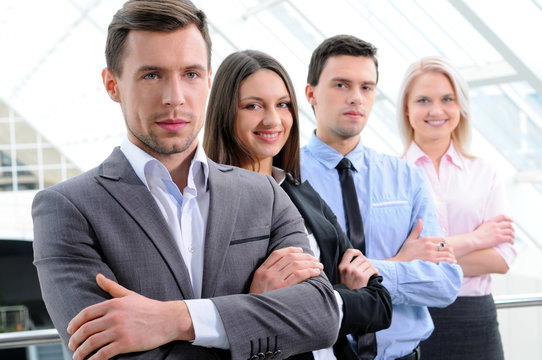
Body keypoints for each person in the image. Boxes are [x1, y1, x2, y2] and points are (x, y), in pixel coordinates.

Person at [31, 1, 340, 359]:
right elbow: (105, 352)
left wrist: (176, 319)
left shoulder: (264, 193)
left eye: (190, 74)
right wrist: (250, 312)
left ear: (209, 81)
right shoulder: (68, 209)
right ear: (112, 84)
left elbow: (321, 317)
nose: (174, 98)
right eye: (151, 75)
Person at [203, 49, 393, 360]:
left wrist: (290, 304)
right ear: (226, 113)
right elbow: (217, 325)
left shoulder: (301, 192)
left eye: (283, 105)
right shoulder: (205, 204)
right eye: (253, 106)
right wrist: (342, 295)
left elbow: (379, 304)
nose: (273, 119)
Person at [300, 35, 464, 360]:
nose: (356, 98)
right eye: (341, 85)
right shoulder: (284, 179)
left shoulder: (406, 178)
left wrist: (372, 270)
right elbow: (296, 292)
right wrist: (400, 263)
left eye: (366, 87)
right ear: (311, 93)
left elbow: (445, 282)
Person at [396, 56, 516, 359]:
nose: (436, 110)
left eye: (447, 99)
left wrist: (425, 261)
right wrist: (474, 240)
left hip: (476, 321)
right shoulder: (390, 177)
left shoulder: (485, 172)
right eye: (423, 100)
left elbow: (502, 258)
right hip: (410, 318)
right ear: (407, 108)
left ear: (460, 106)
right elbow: (395, 261)